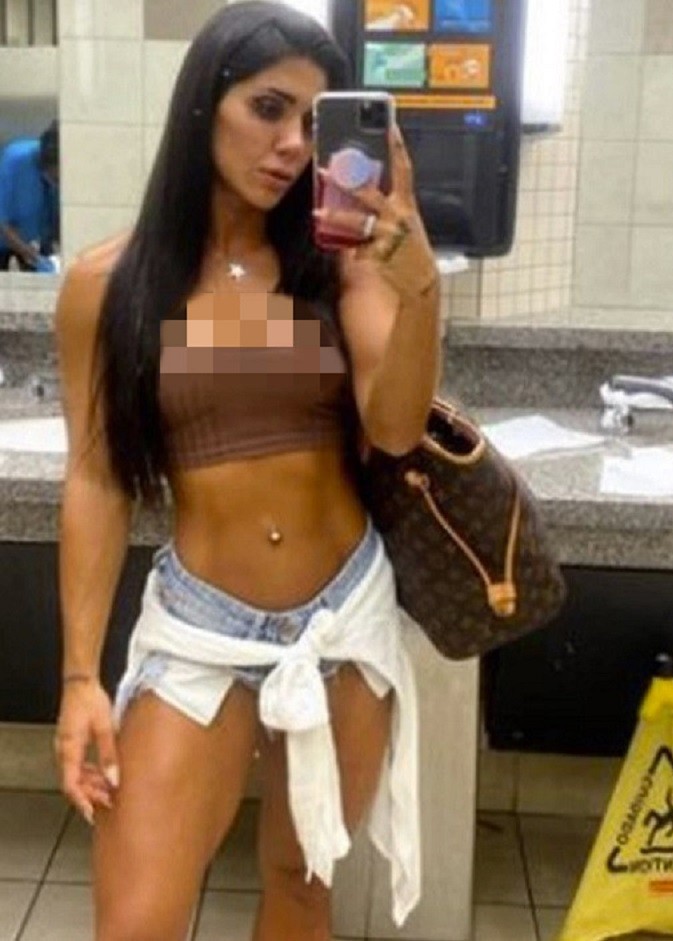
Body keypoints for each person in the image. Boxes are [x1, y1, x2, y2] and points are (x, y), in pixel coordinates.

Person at [53, 3, 440, 939]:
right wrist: (79, 677)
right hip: (199, 629)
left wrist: (419, 283)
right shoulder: (110, 285)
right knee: (136, 921)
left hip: (342, 617)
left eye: (312, 121)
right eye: (268, 108)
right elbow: (98, 480)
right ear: (203, 105)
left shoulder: (340, 271)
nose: (293, 145)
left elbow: (395, 430)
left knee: (300, 887)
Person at [0, 119, 60, 271]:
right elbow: (3, 223)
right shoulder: (15, 162)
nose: (58, 182)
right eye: (56, 178)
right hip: (7, 235)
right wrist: (30, 255)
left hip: (39, 237)